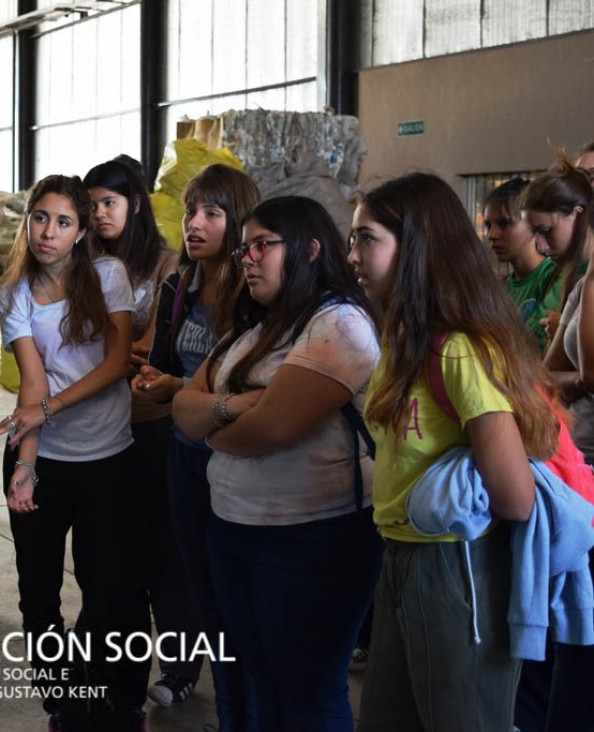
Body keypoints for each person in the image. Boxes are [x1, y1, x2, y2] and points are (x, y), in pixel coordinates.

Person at [349, 172, 558, 732]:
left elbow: (515, 498)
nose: (353, 255)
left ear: (415, 245)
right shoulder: (400, 337)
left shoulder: (459, 352)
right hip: (398, 553)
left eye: (367, 238)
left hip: (453, 564)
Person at [173, 195, 383, 731]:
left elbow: (272, 428)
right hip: (235, 530)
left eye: (261, 245)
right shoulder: (252, 329)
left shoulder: (338, 323)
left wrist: (218, 423)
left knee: (307, 695)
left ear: (310, 249)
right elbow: (182, 409)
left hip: (311, 540)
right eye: (244, 248)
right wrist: (237, 407)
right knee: (260, 683)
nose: (246, 258)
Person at [0, 174, 148, 731]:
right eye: (39, 218)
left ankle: (107, 696)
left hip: (107, 460)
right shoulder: (13, 293)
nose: (47, 233)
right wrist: (27, 466)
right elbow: (32, 384)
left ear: (81, 231)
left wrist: (45, 412)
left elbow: (114, 364)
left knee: (107, 593)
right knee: (38, 596)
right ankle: (62, 702)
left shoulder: (107, 275)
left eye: (62, 222)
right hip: (46, 459)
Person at [132, 163, 259, 732]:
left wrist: (178, 388)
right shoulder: (179, 283)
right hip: (181, 445)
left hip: (231, 449)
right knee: (181, 565)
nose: (195, 223)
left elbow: (251, 384)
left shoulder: (254, 291)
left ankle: (242, 691)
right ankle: (182, 667)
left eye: (212, 212)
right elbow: (162, 357)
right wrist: (150, 380)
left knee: (230, 570)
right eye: (190, 211)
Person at [84, 158, 192, 708]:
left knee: (165, 553)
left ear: (135, 205)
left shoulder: (168, 266)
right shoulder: (85, 265)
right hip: (100, 429)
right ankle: (119, 664)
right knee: (115, 554)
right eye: (94, 203)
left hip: (155, 426)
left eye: (111, 202)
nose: (100, 214)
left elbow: (157, 348)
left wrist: (110, 358)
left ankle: (179, 668)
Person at [523, 157, 594, 730]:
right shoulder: (578, 278)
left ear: (579, 212)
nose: (541, 244)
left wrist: (539, 381)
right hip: (575, 450)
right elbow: (554, 367)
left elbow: (587, 375)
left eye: (548, 229)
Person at [484, 177, 562, 352]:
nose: (492, 234)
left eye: (504, 223)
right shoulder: (499, 288)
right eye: (489, 225)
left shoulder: (555, 275)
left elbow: (538, 337)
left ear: (532, 222)